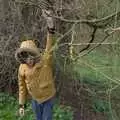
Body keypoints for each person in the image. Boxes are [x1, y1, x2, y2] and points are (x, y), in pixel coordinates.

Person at [15, 11, 56, 120]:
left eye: (31, 57)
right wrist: (21, 105)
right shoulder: (22, 69)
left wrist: (50, 28)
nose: (29, 60)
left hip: (48, 98)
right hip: (35, 99)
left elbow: (49, 47)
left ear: (34, 54)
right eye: (26, 58)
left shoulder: (44, 61)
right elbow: (22, 87)